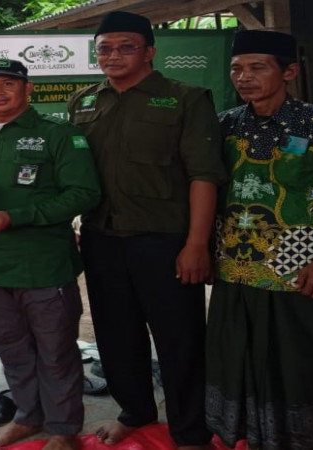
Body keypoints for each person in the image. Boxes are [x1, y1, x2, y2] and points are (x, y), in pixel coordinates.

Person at [206, 30, 313, 450]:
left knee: (303, 363)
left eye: (257, 67)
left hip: (303, 268)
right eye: (236, 69)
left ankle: (309, 439)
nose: (244, 77)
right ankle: (256, 437)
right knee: (239, 358)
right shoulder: (225, 125)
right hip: (238, 268)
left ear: (289, 72)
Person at [67, 12, 225, 449]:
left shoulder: (186, 98)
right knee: (116, 335)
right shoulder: (83, 101)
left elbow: (204, 175)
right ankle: (135, 411)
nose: (113, 55)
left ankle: (190, 430)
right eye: (104, 48)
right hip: (101, 237)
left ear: (149, 51)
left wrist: (197, 244)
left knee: (180, 339)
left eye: (126, 47)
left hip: (165, 240)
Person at [0, 58, 100, 450]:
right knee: (10, 347)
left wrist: (17, 216)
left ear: (28, 88)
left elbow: (84, 194)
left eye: (8, 83)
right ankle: (29, 417)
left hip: (43, 263)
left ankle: (63, 429)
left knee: (56, 349)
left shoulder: (58, 133)